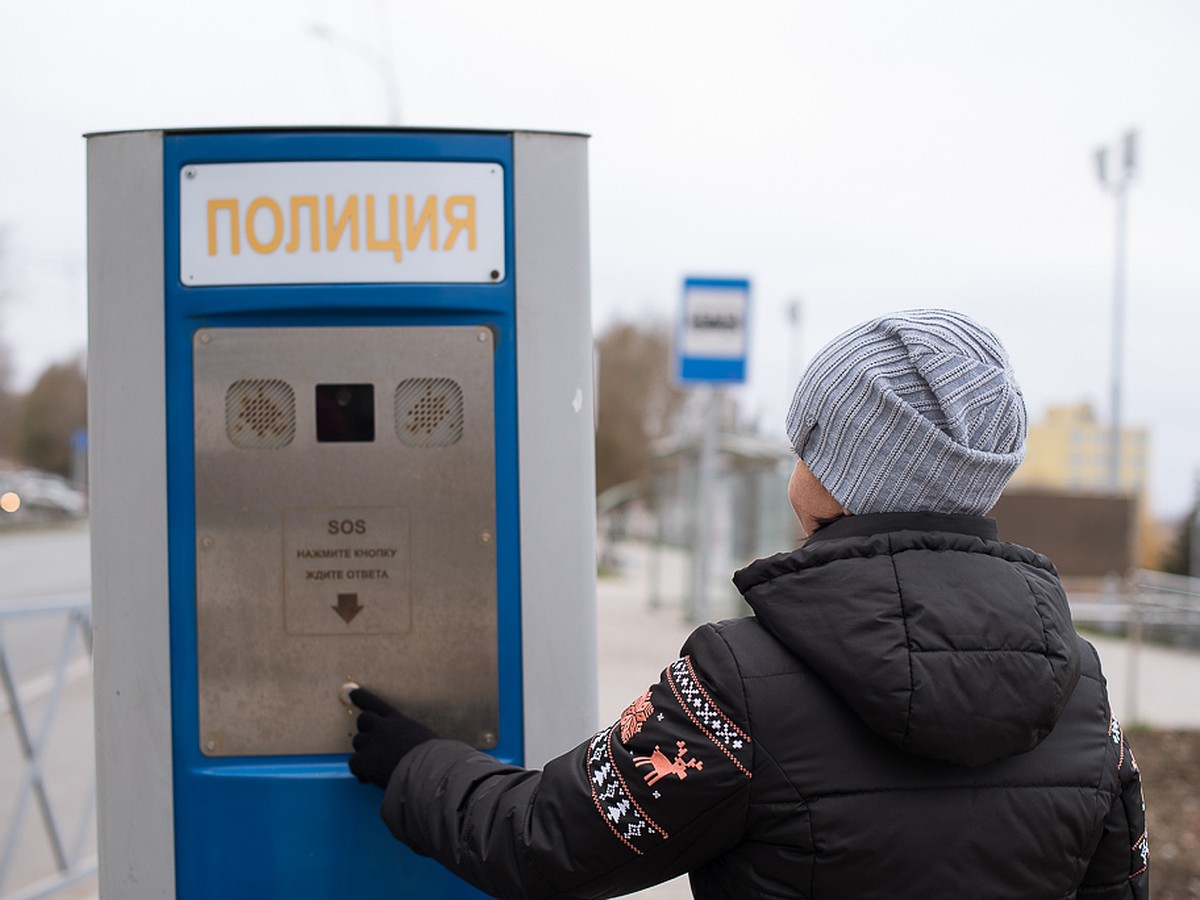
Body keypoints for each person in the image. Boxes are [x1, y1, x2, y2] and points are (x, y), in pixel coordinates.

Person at [349, 308, 1149, 899]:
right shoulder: (1084, 693)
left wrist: (415, 762)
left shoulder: (737, 680)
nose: (790, 468)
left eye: (807, 446)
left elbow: (543, 843)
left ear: (838, 476)